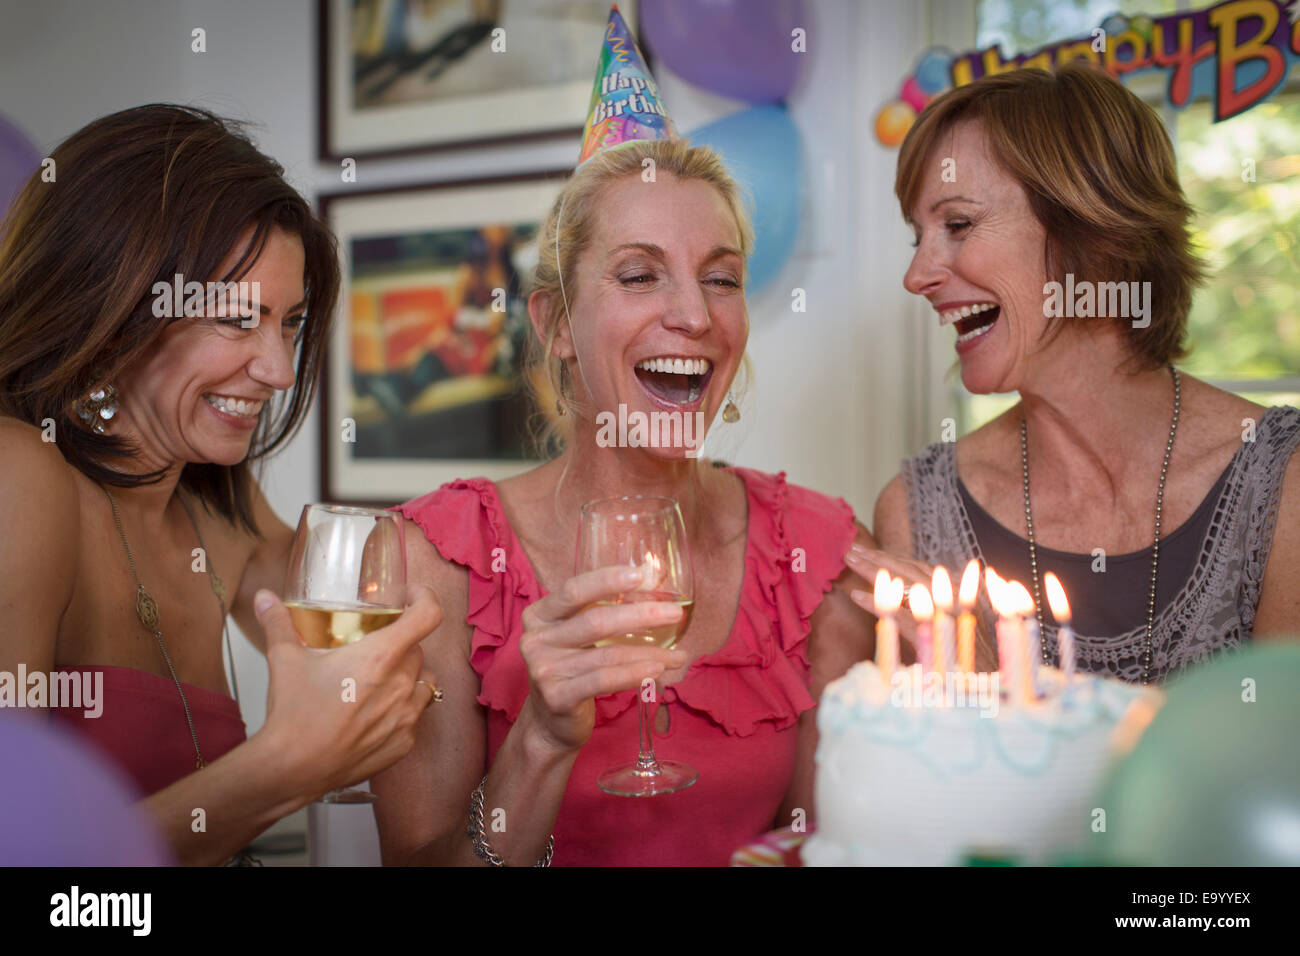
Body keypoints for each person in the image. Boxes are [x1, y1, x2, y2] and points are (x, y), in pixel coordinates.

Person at [371, 129, 875, 865]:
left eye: (721, 278)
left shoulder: (817, 549)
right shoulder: (436, 558)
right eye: (639, 276)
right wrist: (540, 740)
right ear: (556, 326)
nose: (695, 316)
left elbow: (819, 846)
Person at [0, 104, 442, 865]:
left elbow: (375, 588)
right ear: (111, 305)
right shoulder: (22, 476)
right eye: (237, 320)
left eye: (290, 324)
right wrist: (285, 767)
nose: (276, 369)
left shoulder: (216, 509)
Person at [848, 65, 1300, 684]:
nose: (917, 275)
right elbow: (932, 772)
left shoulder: (1283, 486)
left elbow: (1276, 770)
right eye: (917, 238)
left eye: (958, 225)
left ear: (1093, 229)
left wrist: (1002, 684)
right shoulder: (917, 511)